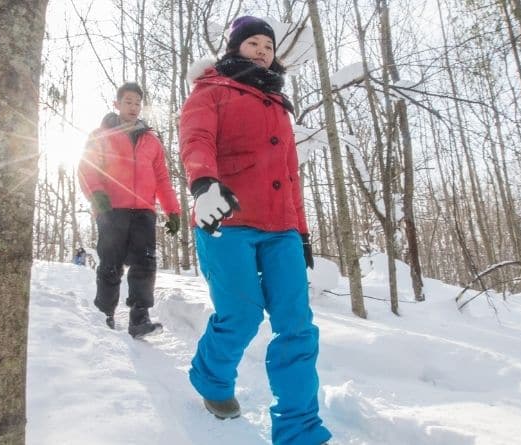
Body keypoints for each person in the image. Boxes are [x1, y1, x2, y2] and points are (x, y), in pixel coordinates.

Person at [178, 16, 331, 445]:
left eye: (268, 44)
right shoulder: (211, 90)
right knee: (242, 315)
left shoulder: (278, 104)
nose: (263, 49)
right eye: (253, 43)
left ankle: (300, 430)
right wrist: (203, 183)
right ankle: (211, 378)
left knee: (297, 325)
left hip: (281, 228)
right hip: (225, 218)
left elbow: (290, 174)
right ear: (235, 48)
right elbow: (196, 140)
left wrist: (301, 232)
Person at [78, 82, 181, 338]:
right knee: (111, 264)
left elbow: (162, 179)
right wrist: (97, 196)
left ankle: (139, 317)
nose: (133, 107)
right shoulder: (101, 135)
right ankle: (105, 314)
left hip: (144, 212)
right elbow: (87, 168)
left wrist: (173, 211)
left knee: (145, 264)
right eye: (128, 102)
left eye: (137, 103)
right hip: (112, 210)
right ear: (117, 104)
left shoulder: (152, 141)